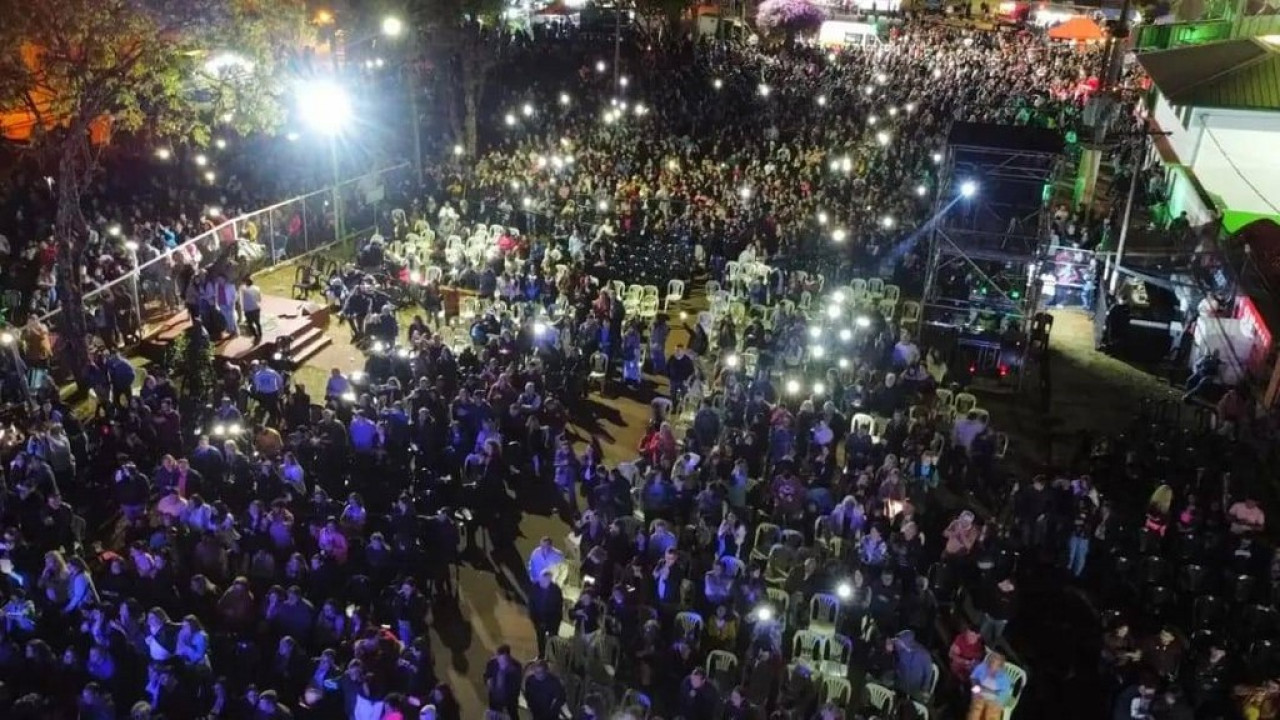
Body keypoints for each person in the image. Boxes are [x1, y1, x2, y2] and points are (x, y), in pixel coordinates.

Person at [528, 570, 564, 660]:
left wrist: (552, 622)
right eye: (543, 579)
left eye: (547, 580)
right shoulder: (534, 589)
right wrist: (537, 621)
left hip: (553, 620)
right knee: (540, 638)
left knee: (553, 638)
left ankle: (553, 655)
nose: (545, 582)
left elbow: (558, 607)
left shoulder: (556, 590)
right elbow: (531, 606)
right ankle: (542, 655)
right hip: (538, 620)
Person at [968, 652, 1013, 720]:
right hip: (980, 693)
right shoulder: (982, 667)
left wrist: (998, 702)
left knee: (992, 714)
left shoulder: (1004, 677)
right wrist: (976, 692)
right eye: (991, 662)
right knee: (976, 711)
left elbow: (1004, 693)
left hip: (995, 699)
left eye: (996, 664)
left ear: (1000, 666)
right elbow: (973, 678)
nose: (992, 666)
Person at [484, 644, 523, 720]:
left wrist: (508, 670)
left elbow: (516, 685)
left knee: (513, 715)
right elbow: (486, 675)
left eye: (504, 659)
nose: (500, 661)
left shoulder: (516, 666)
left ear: (508, 656)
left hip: (510, 699)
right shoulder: (492, 663)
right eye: (499, 658)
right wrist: (488, 681)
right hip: (495, 698)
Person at [241, 277, 263, 345]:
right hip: (256, 308)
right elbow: (259, 299)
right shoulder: (257, 288)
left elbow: (241, 289)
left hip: (248, 310)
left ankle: (256, 335)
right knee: (257, 322)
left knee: (250, 324)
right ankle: (260, 334)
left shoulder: (244, 289)